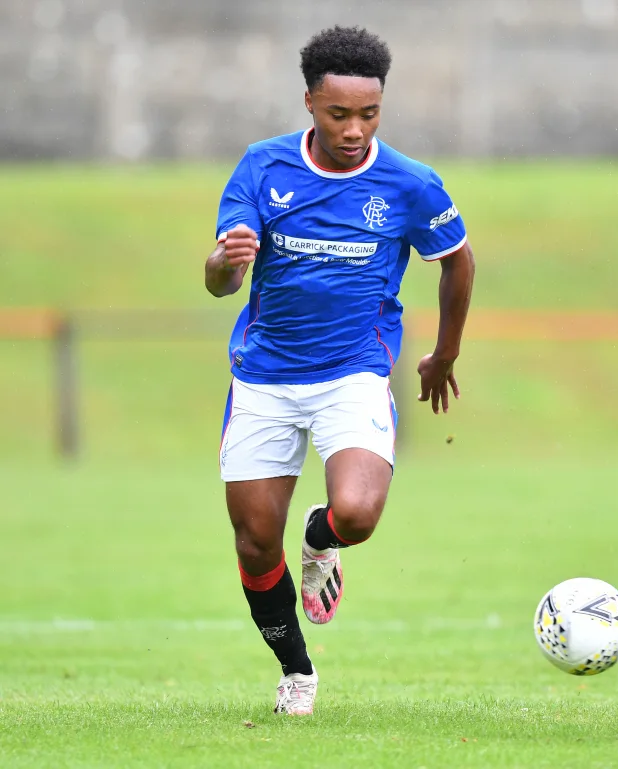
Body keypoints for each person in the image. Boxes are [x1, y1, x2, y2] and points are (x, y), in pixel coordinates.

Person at [204, 26, 475, 715]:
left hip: (353, 369)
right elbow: (219, 283)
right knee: (255, 538)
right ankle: (297, 669)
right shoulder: (263, 168)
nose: (354, 130)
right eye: (338, 115)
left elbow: (458, 262)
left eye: (369, 114)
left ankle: (322, 539)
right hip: (264, 374)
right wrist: (223, 262)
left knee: (356, 512)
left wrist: (444, 352)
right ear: (309, 104)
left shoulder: (410, 184)